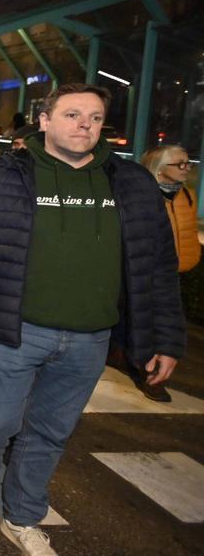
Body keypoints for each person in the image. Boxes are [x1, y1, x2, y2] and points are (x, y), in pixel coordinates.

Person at [0, 84, 185, 555]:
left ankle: (22, 517)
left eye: (95, 117)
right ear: (44, 121)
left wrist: (166, 337)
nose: (84, 124)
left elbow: (158, 264)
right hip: (14, 331)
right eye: (72, 114)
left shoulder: (131, 183)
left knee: (49, 432)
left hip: (90, 339)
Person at [105, 145, 200, 401]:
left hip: (172, 269)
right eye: (179, 164)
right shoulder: (140, 197)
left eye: (188, 163)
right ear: (159, 168)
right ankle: (142, 368)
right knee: (138, 321)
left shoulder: (187, 195)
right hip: (142, 272)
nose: (186, 168)